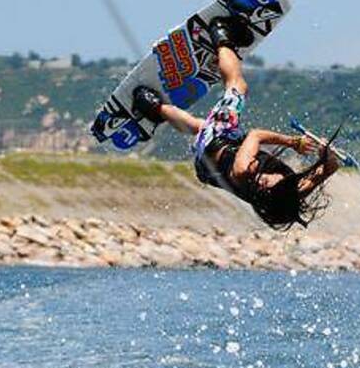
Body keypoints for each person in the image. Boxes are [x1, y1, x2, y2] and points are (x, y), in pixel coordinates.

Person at [133, 17, 340, 230]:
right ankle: (151, 106)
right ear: (285, 189)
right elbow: (330, 167)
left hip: (217, 143)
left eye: (261, 188)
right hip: (207, 167)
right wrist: (327, 153)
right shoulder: (292, 192)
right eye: (268, 184)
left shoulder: (244, 171)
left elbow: (256, 135)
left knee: (237, 87)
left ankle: (221, 36)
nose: (261, 183)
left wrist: (294, 143)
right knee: (200, 126)